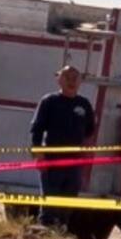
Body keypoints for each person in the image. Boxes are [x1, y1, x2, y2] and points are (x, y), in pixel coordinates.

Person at [29, 65, 96, 228]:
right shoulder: (49, 101)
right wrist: (39, 155)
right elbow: (36, 130)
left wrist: (86, 153)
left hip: (74, 162)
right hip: (52, 159)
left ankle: (62, 228)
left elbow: (90, 131)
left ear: (80, 81)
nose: (72, 81)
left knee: (69, 199)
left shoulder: (84, 104)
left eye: (75, 77)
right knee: (50, 198)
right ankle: (45, 229)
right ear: (59, 80)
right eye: (67, 77)